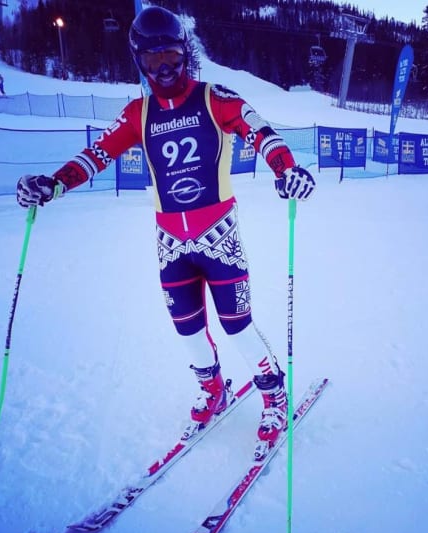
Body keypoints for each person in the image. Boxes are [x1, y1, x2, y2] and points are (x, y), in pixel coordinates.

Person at [16, 6, 316, 460]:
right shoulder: (138, 113)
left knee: (237, 326)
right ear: (139, 58)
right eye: (154, 59)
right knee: (187, 328)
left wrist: (286, 170)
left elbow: (261, 132)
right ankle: (212, 387)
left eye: (172, 55)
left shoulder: (216, 97)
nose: (165, 67)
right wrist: (54, 183)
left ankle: (273, 394)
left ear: (185, 54)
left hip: (219, 234)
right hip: (170, 242)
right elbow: (97, 154)